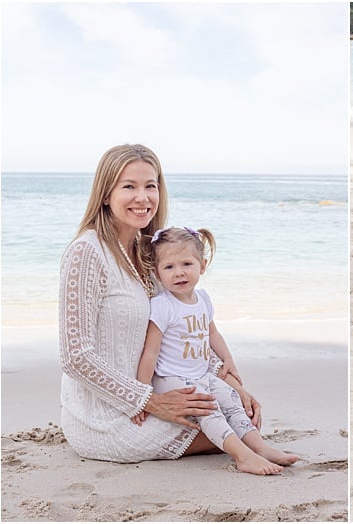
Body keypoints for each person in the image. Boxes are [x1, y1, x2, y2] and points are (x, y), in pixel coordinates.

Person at [59, 144, 262, 462]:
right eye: (129, 186)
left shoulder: (151, 253)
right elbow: (76, 358)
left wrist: (230, 382)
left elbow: (179, 332)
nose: (143, 197)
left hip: (161, 389)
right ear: (106, 194)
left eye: (150, 186)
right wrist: (147, 401)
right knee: (236, 432)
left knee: (243, 416)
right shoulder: (87, 253)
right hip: (105, 416)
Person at [131, 226, 298, 474]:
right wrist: (142, 396)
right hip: (172, 378)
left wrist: (228, 359)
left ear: (203, 265)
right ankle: (242, 456)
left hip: (200, 374)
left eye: (186, 264)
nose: (179, 273)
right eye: (169, 267)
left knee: (232, 400)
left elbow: (212, 334)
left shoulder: (203, 299)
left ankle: (259, 447)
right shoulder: (162, 306)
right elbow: (151, 353)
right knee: (209, 409)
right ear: (157, 272)